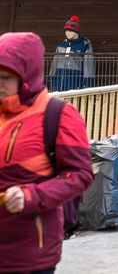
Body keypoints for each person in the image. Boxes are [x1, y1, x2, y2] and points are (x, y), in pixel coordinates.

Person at [0, 32, 94, 274]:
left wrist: (31, 196)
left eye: (5, 78)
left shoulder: (58, 114)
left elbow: (79, 175)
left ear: (26, 76)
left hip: (30, 255)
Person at [49, 16, 94, 91]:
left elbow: (88, 67)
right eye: (66, 31)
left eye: (70, 30)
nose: (67, 33)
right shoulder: (61, 45)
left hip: (75, 82)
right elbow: (54, 64)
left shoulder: (84, 45)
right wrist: (50, 81)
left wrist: (88, 84)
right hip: (59, 82)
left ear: (76, 31)